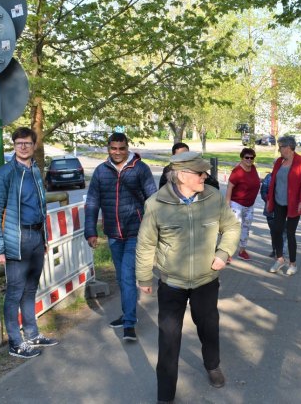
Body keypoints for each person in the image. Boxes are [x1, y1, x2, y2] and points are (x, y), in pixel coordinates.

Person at [135, 151, 241, 404]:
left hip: (206, 280)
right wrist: (144, 278)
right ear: (182, 175)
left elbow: (232, 227)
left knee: (209, 328)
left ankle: (212, 365)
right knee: (169, 339)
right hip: (172, 284)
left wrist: (223, 252)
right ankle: (165, 395)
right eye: (200, 173)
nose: (206, 176)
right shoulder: (156, 204)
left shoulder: (213, 198)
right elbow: (146, 244)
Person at [0, 127, 59, 358]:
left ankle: (32, 334)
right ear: (14, 145)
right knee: (15, 292)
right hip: (16, 239)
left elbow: (41, 206)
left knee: (30, 289)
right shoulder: (6, 173)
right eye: (19, 143)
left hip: (36, 237)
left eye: (27, 143)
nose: (23, 146)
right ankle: (15, 344)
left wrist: (45, 238)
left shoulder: (36, 170)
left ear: (34, 144)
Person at [84, 132, 157, 342]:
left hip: (136, 231)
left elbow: (152, 200)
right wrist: (91, 231)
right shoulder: (101, 171)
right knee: (121, 278)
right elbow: (92, 202)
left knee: (126, 276)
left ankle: (129, 325)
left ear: (127, 148)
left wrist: (153, 229)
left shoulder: (140, 169)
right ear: (108, 148)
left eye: (121, 148)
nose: (117, 152)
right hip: (113, 233)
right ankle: (127, 314)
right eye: (113, 148)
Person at [265, 135, 301, 276]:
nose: (279, 149)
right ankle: (280, 259)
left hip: (294, 204)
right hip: (279, 202)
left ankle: (293, 264)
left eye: (281, 147)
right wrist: (269, 199)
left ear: (289, 148)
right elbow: (273, 182)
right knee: (276, 230)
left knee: (290, 234)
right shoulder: (279, 161)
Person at [225, 148, 261, 261]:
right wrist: (227, 203)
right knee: (234, 229)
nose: (249, 160)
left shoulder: (253, 168)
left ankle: (242, 251)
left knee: (246, 228)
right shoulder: (237, 171)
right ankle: (227, 254)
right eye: (247, 157)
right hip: (237, 204)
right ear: (242, 158)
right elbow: (229, 187)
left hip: (249, 205)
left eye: (252, 158)